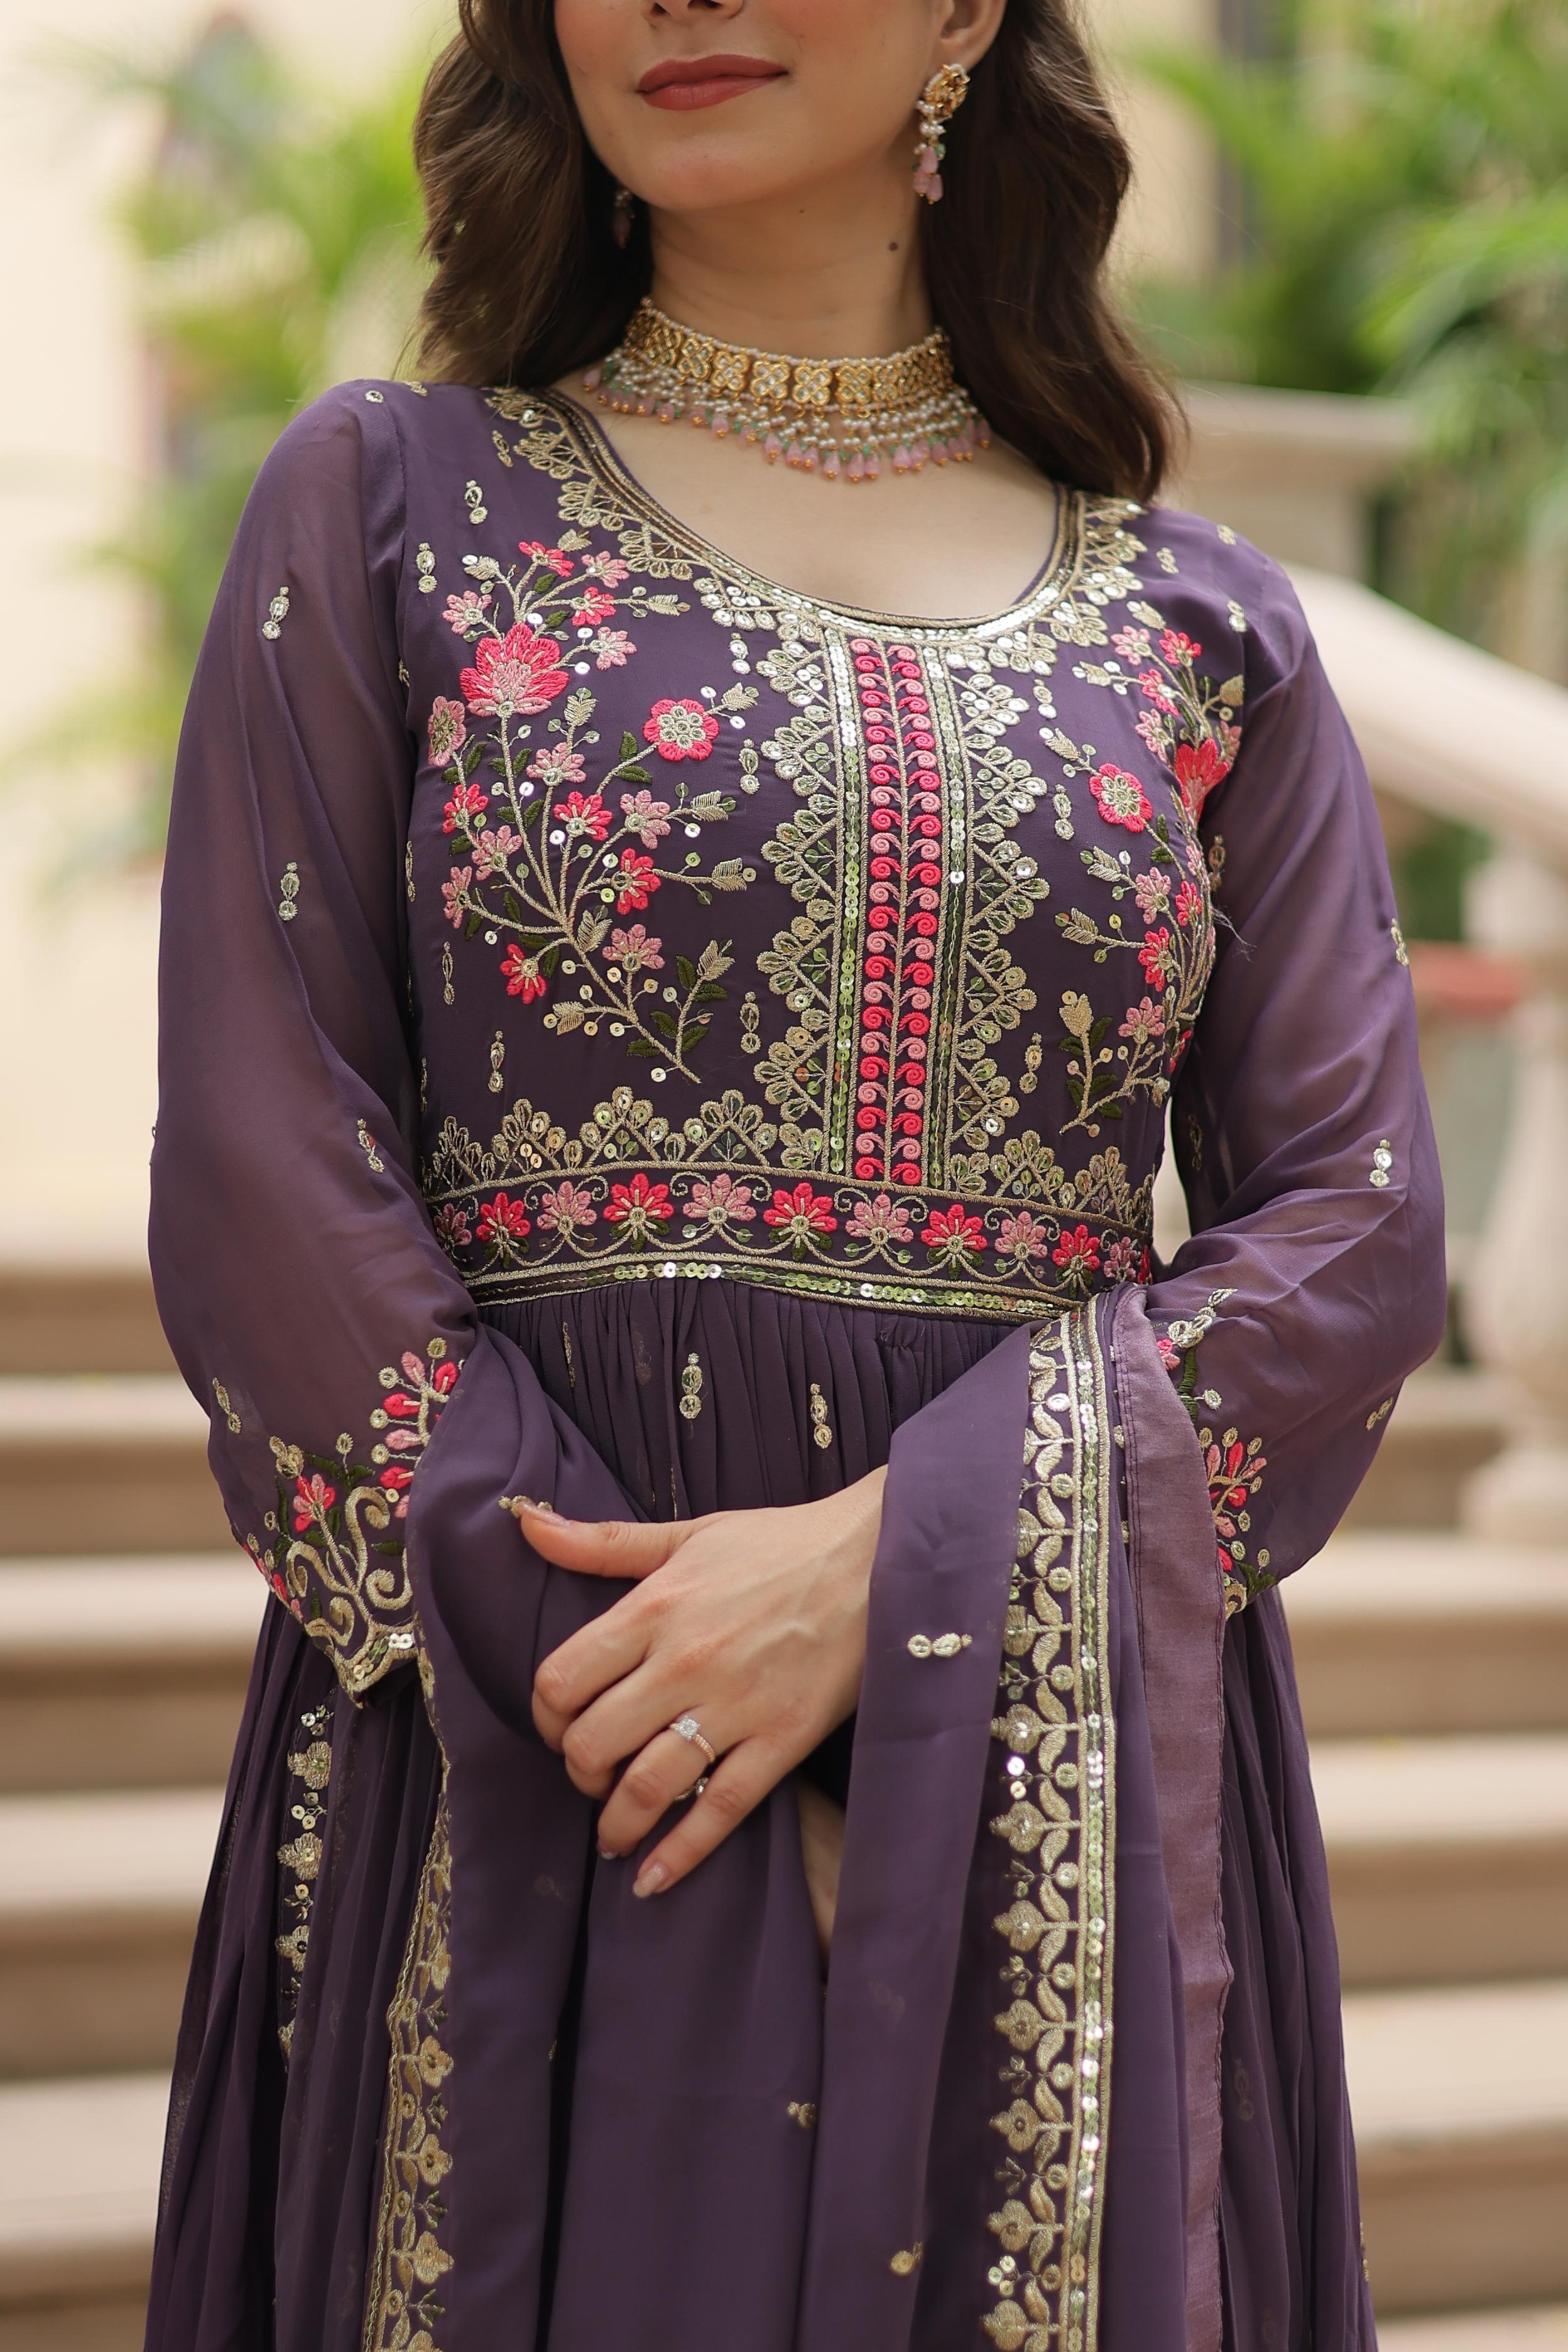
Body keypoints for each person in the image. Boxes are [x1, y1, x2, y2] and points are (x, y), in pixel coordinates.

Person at [143, 3, 1446, 2347]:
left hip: (1063, 1799)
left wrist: (898, 1591)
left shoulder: (1204, 626)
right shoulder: (393, 505)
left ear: (969, 14)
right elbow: (269, 1156)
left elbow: (1353, 1222)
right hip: (529, 1728)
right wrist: (638, 1681)